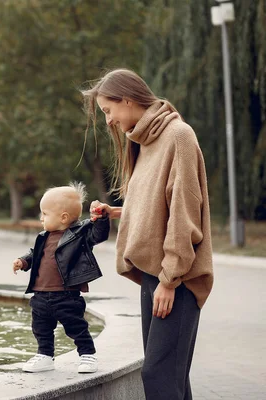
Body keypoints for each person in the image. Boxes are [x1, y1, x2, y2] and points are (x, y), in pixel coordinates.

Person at [82, 68, 214, 400]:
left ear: (127, 100)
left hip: (177, 279)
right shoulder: (144, 141)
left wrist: (170, 280)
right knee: (171, 379)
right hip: (154, 276)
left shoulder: (178, 136)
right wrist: (117, 212)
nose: (109, 120)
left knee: (158, 375)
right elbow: (159, 204)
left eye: (109, 111)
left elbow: (184, 213)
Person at [12, 183, 110, 374]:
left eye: (45, 214)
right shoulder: (43, 236)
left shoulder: (79, 234)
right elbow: (35, 254)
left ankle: (87, 354)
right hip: (40, 295)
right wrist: (23, 261)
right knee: (40, 328)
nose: (41, 218)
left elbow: (98, 235)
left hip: (66, 295)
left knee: (76, 326)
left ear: (63, 217)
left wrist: (101, 219)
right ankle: (45, 355)